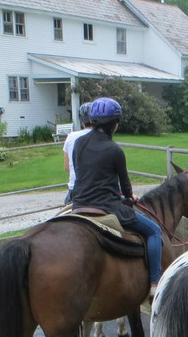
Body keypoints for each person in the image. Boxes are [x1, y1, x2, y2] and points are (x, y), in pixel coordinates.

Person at [70, 97, 163, 298]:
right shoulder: (114, 150)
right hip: (107, 207)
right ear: (114, 123)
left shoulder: (78, 143)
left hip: (78, 205)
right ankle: (155, 282)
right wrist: (130, 197)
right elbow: (126, 188)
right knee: (155, 231)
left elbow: (83, 175)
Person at [61, 101, 92, 204]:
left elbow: (67, 167)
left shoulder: (71, 137)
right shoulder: (102, 137)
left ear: (81, 121)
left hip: (74, 190)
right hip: (96, 192)